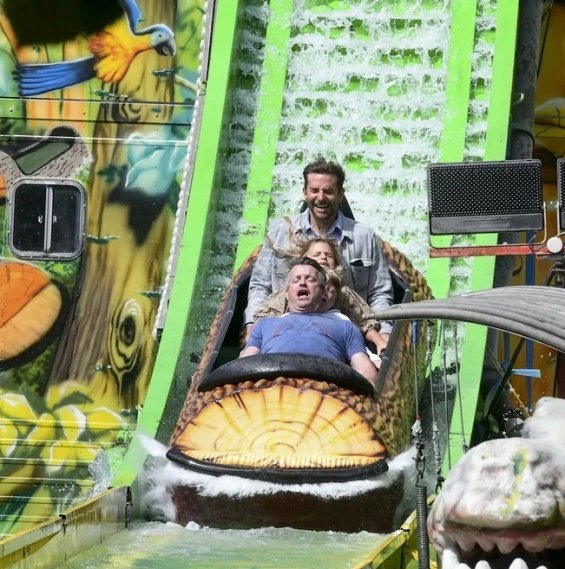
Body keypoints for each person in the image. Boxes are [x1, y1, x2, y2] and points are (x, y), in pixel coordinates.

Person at [242, 157, 394, 344]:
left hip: (348, 333)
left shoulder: (364, 236)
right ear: (304, 193)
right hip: (284, 329)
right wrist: (252, 328)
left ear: (340, 194)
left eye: (328, 191)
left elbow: (380, 293)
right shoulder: (280, 232)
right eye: (314, 190)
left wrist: (383, 335)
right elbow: (260, 285)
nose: (320, 197)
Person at [240, 257, 378, 385]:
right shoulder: (265, 324)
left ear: (323, 292)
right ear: (286, 294)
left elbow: (364, 369)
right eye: (296, 279)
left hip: (325, 393)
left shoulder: (345, 327)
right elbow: (244, 364)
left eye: (310, 279)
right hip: (271, 388)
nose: (302, 282)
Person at [253, 236, 389, 354]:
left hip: (335, 345)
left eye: (329, 255)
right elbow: (264, 319)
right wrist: (253, 343)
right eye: (317, 254)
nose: (323, 257)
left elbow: (364, 322)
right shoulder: (290, 290)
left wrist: (379, 341)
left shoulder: (342, 292)